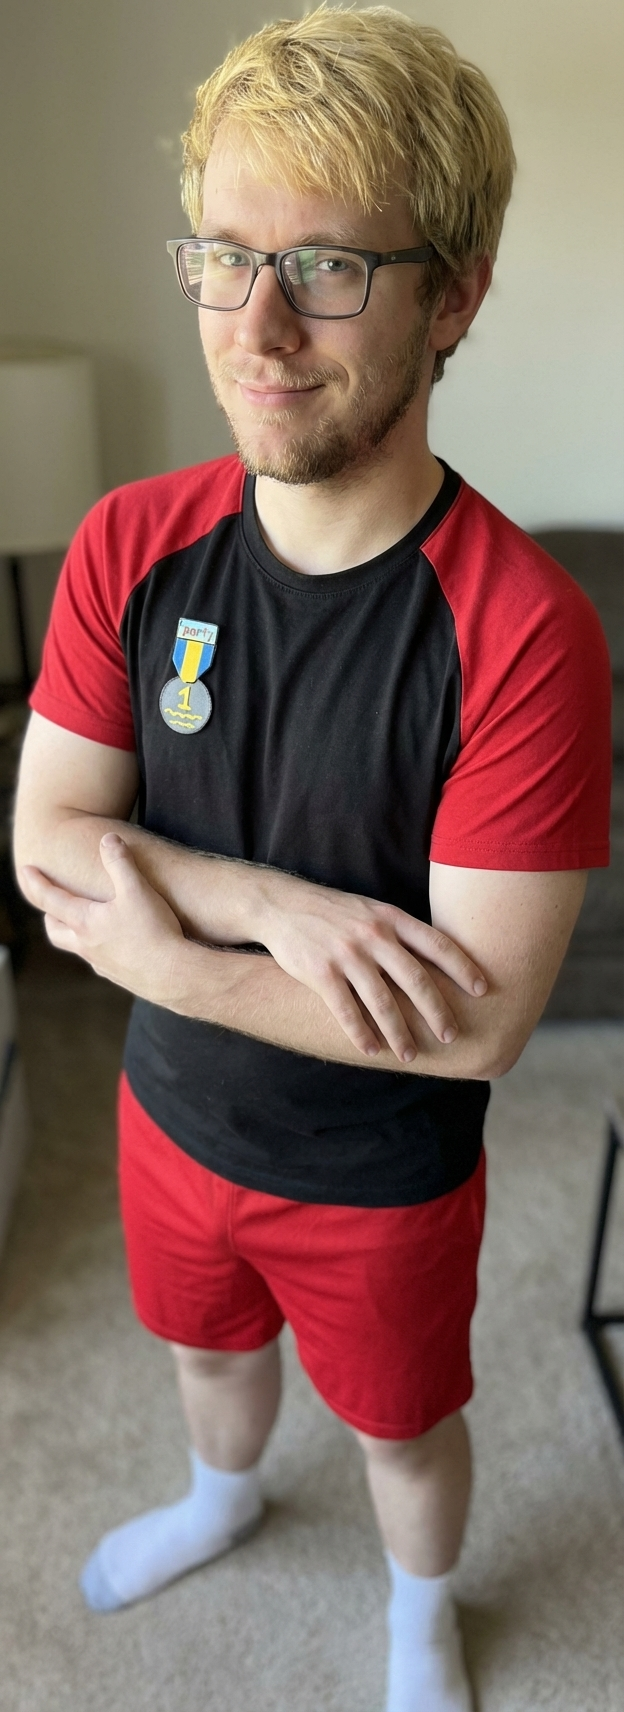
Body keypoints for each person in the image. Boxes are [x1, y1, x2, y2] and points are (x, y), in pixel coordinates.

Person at [14, 8, 610, 1710]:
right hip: (167, 1117)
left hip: (381, 1173)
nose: (257, 326)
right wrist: (271, 907)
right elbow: (48, 840)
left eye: (329, 267)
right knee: (205, 1363)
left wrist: (161, 955)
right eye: (225, 254)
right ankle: (220, 1498)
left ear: (455, 296)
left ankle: (423, 1613)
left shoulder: (524, 632)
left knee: (403, 1432)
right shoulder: (132, 544)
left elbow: (479, 1026)